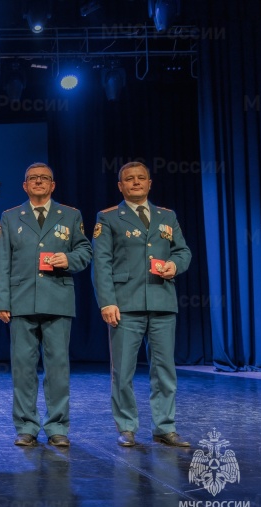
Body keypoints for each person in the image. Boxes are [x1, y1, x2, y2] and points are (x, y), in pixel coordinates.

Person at [92, 161, 192, 448]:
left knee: (164, 369)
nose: (135, 182)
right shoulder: (109, 217)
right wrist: (107, 302)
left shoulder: (167, 216)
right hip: (126, 305)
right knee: (123, 370)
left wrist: (174, 264)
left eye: (141, 178)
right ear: (120, 186)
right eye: (129, 179)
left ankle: (164, 426)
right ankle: (127, 427)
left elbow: (183, 251)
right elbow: (102, 264)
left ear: (150, 183)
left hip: (162, 301)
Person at [0, 162, 92, 448]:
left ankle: (57, 426)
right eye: (32, 179)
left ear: (52, 185)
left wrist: (69, 260)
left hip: (57, 300)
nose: (38, 182)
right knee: (23, 368)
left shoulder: (70, 215)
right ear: (25, 186)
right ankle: (26, 426)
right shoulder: (11, 217)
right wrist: (2, 300)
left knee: (57, 367)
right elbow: (3, 262)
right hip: (21, 301)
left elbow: (85, 249)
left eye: (44, 178)